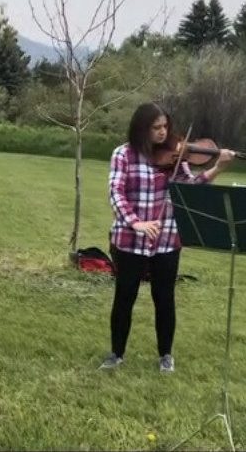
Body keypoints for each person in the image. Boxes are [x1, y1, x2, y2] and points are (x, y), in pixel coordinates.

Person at [100, 102, 234, 373]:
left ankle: (165, 356)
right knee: (124, 296)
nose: (163, 133)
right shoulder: (123, 154)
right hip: (129, 239)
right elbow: (116, 192)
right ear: (142, 129)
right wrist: (136, 223)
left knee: (165, 298)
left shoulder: (176, 157)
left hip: (167, 239)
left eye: (165, 127)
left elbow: (191, 187)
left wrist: (217, 168)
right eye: (156, 128)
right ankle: (116, 354)